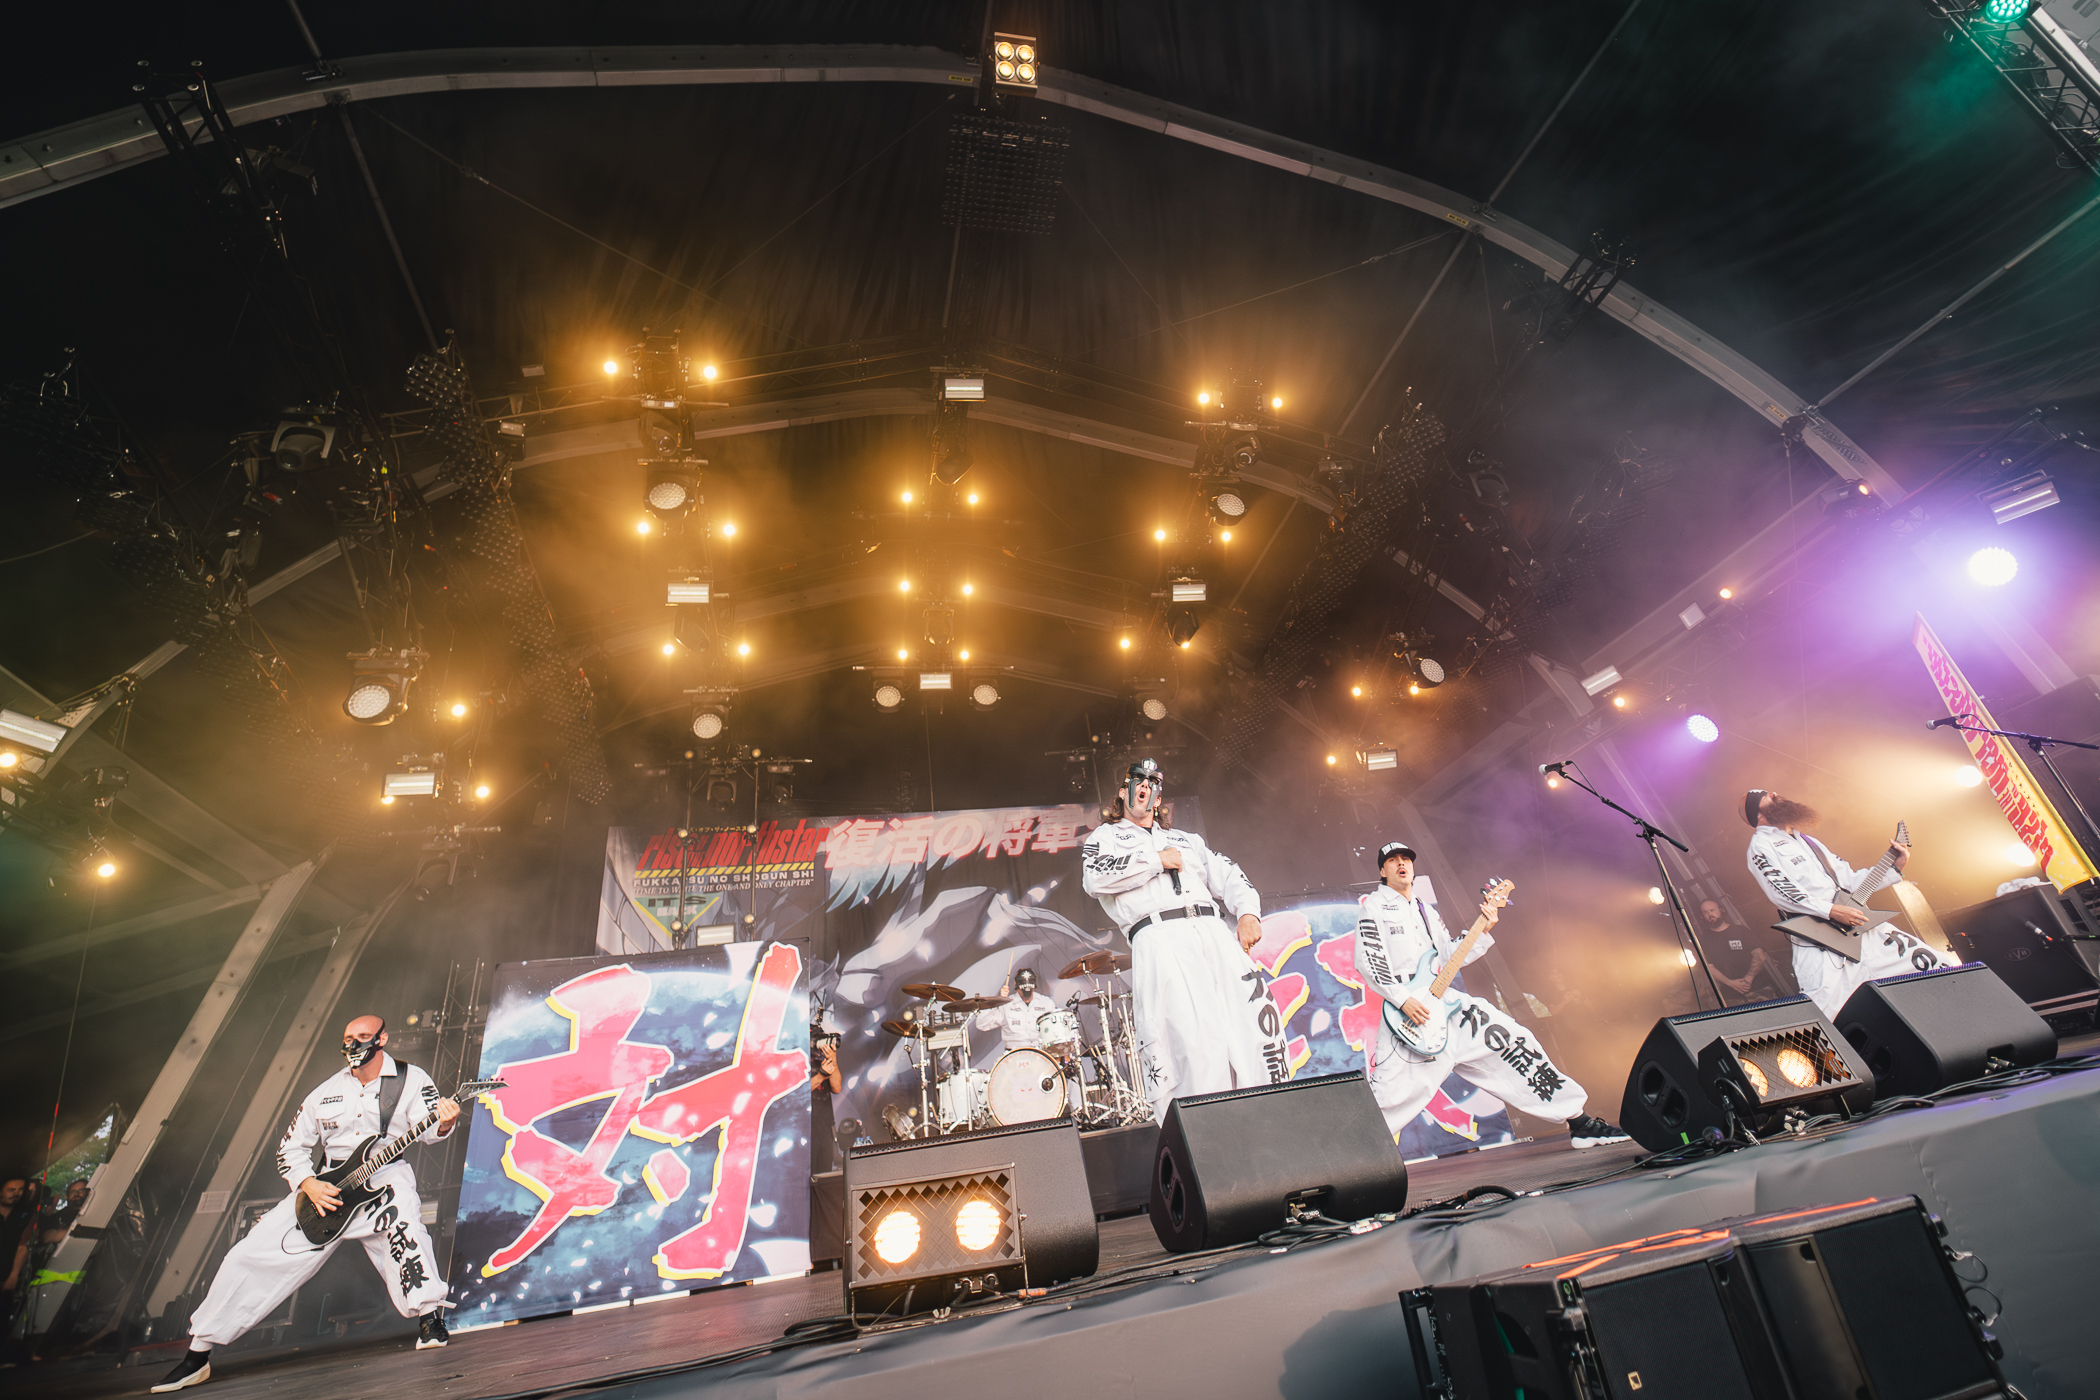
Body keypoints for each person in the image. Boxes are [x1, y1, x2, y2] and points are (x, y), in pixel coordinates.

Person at [151, 1016, 460, 1393]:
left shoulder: (411, 1079)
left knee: (406, 1228)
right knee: (248, 1254)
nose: (354, 1044)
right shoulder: (324, 1092)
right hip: (327, 1187)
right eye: (348, 1037)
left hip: (383, 1178)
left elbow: (430, 1130)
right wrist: (308, 1184)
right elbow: (290, 1149)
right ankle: (198, 1353)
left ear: (382, 1039)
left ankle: (430, 1318)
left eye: (363, 1036)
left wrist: (446, 1122)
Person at [1354, 841, 1627, 1150]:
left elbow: (1448, 955)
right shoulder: (1374, 906)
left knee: (1513, 1040)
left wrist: (1482, 930)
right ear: (1383, 870)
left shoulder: (1424, 909)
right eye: (1393, 860)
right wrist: (1402, 999)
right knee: (1389, 1098)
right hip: (1408, 1014)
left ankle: (1580, 1122)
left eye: (1406, 858)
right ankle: (1353, 1161)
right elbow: (1369, 959)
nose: (1401, 863)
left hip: (1447, 1006)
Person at [1080, 759, 1287, 1123]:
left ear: (1159, 798)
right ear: (1123, 792)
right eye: (1138, 780)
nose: (1145, 786)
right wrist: (1155, 860)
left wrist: (1248, 913)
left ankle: (1270, 1123)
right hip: (1159, 937)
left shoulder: (1186, 840)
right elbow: (1095, 878)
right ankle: (1206, 1133)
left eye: (1153, 783)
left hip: (1213, 930)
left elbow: (1228, 873)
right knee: (1194, 1044)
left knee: (1251, 1030)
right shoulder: (1104, 837)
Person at [1743, 790, 1955, 1019]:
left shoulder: (1807, 840)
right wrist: (1831, 911)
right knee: (1826, 1015)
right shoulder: (1761, 845)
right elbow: (1780, 890)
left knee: (1939, 967)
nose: (1774, 793)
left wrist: (1894, 868)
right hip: (1819, 941)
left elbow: (1850, 880)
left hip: (1861, 928)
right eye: (1765, 795)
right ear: (1758, 814)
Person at [1699, 899, 1787, 1001]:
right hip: (1731, 996)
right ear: (1702, 916)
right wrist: (1730, 983)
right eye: (1706, 912)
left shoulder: (1741, 930)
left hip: (1758, 988)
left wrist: (1749, 978)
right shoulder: (1704, 939)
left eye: (1712, 910)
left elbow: (1759, 955)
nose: (1710, 914)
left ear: (1721, 910)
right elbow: (1709, 967)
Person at [974, 968, 1057, 1051]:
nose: (1026, 994)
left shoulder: (1046, 1003)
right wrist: (997, 1001)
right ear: (1015, 985)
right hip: (1014, 1052)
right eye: (1023, 988)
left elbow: (1056, 1031)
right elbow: (981, 1024)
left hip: (1040, 1052)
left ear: (1034, 986)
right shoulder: (1006, 1004)